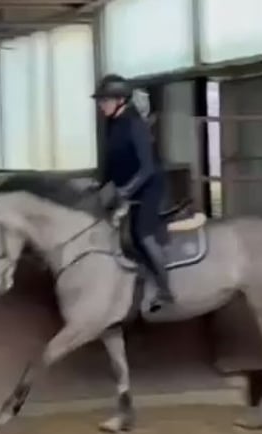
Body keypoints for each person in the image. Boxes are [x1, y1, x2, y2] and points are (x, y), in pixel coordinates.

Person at [92, 73, 175, 309]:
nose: (101, 105)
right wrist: (99, 185)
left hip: (149, 188)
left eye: (105, 100)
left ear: (120, 100)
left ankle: (165, 289)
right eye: (100, 101)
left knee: (142, 235)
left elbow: (147, 167)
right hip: (127, 189)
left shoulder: (134, 124)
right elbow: (111, 161)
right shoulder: (111, 124)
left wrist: (126, 190)